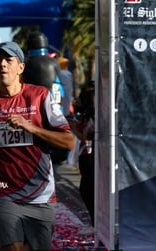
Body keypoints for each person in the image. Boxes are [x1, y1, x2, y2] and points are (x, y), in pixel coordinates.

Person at [0, 41, 75, 251]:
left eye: (8, 60)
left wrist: (31, 128)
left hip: (40, 192)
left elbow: (68, 141)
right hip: (2, 191)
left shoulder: (39, 96)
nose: (2, 65)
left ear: (20, 67)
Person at [67, 83, 95, 236]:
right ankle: (95, 223)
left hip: (90, 154)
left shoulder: (94, 113)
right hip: (86, 155)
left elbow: (85, 137)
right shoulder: (89, 112)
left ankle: (95, 223)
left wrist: (74, 127)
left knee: (87, 189)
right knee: (87, 189)